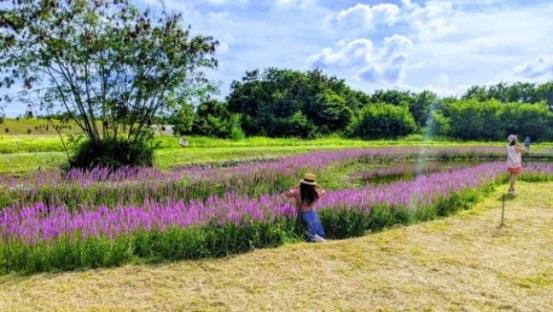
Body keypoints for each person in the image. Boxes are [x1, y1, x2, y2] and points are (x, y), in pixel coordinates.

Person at [285, 173, 326, 242]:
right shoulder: (314, 193)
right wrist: (317, 185)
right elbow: (323, 191)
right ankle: (316, 238)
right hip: (312, 214)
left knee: (304, 229)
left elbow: (287, 194)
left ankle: (313, 238)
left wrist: (296, 186)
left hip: (301, 213)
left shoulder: (298, 191)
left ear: (303, 183)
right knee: (314, 229)